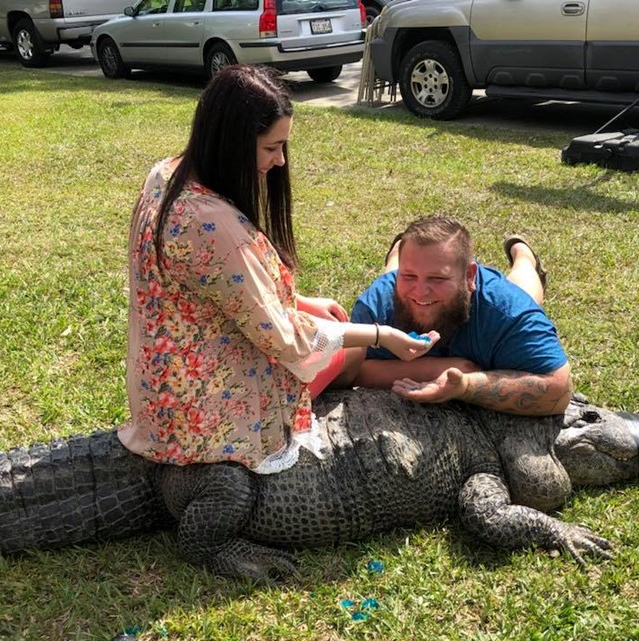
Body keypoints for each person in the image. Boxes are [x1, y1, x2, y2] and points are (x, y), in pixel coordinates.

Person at [119, 65, 437, 475]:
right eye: (272, 148)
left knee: (333, 326)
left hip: (162, 388)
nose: (280, 160)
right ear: (232, 143)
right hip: (198, 420)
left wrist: (299, 300)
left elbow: (214, 286)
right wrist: (381, 334)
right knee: (352, 345)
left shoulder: (164, 174)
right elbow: (288, 341)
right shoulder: (212, 224)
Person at [334, 215, 572, 417]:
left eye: (437, 278)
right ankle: (398, 253)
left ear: (470, 276)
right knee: (402, 283)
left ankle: (525, 257)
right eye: (408, 276)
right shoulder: (376, 305)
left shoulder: (507, 310)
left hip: (498, 297)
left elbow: (559, 389)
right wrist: (446, 367)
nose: (420, 290)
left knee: (525, 290)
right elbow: (349, 370)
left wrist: (466, 385)